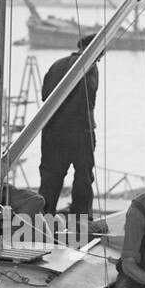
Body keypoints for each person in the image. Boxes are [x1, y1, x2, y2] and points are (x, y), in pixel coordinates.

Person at [38, 34, 100, 227]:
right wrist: (91, 130)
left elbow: (45, 96)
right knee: (83, 177)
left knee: (50, 180)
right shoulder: (90, 67)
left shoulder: (57, 64)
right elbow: (88, 101)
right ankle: (81, 223)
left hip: (52, 132)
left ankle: (42, 221)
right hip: (80, 132)